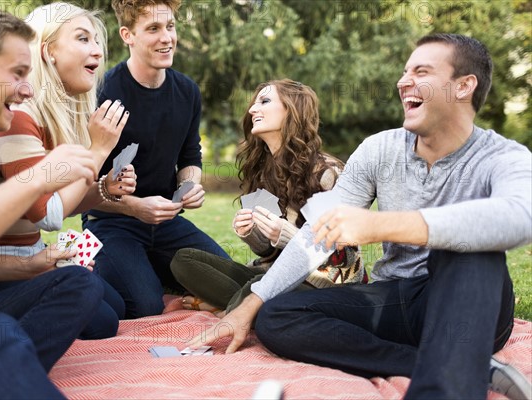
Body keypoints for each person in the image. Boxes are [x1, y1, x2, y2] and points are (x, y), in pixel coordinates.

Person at [189, 34, 532, 399]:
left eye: (421, 72)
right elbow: (314, 237)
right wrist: (250, 305)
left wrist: (379, 225)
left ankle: (443, 385)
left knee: (465, 248)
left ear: (464, 86)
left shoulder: (502, 156)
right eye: (404, 72)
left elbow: (519, 217)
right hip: (396, 300)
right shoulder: (379, 148)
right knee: (277, 317)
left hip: (472, 309)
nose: (403, 82)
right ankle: (448, 365)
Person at [0, 3, 104, 398]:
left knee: (76, 285)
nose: (28, 89)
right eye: (18, 74)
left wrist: (33, 268)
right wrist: (34, 180)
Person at [0, 2, 135, 340]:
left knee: (111, 306)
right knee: (102, 319)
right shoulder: (13, 117)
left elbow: (57, 202)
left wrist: (103, 188)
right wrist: (99, 150)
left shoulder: (5, 128)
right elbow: (47, 214)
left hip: (24, 253)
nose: (97, 52)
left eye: (96, 42)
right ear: (49, 52)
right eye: (83, 39)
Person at [82, 0, 229, 319]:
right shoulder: (101, 91)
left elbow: (190, 155)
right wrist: (133, 206)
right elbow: (81, 186)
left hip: (166, 221)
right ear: (127, 35)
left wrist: (189, 185)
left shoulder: (187, 91)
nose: (167, 38)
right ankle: (122, 265)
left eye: (170, 27)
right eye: (153, 29)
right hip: (111, 221)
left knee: (229, 284)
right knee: (143, 306)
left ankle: (147, 267)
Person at [171, 79, 365, 316]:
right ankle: (254, 309)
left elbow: (342, 253)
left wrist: (287, 235)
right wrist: (252, 234)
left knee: (253, 291)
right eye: (254, 103)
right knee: (184, 259)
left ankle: (236, 312)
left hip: (325, 282)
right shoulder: (262, 171)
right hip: (272, 272)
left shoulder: (327, 173)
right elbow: (267, 253)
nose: (252, 109)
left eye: (264, 101)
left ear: (292, 109)